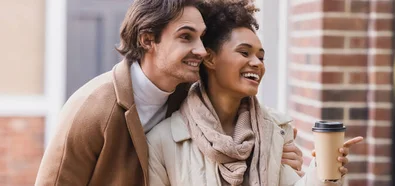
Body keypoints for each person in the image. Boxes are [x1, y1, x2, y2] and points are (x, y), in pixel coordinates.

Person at [35, 0, 303, 185]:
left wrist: (272, 151)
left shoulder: (189, 100)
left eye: (202, 37)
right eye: (186, 37)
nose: (200, 49)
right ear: (147, 39)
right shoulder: (91, 109)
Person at [146, 1, 364, 185]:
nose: (256, 64)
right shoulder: (162, 140)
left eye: (261, 57)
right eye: (244, 52)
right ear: (210, 58)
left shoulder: (277, 127)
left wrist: (324, 173)